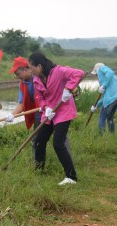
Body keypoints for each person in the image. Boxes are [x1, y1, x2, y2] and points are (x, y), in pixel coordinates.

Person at [28, 52, 84, 185]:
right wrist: (45, 107)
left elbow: (79, 73)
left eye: (31, 67)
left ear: (40, 66)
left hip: (63, 110)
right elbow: (40, 97)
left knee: (58, 143)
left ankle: (71, 177)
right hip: (50, 113)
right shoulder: (36, 80)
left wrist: (68, 89)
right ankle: (39, 171)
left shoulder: (58, 71)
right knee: (39, 141)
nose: (30, 70)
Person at [90, 63, 117, 134]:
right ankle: (112, 135)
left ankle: (101, 135)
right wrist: (96, 105)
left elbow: (110, 72)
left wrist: (103, 85)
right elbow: (106, 98)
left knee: (102, 117)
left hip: (112, 99)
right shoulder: (112, 79)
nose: (97, 76)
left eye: (96, 75)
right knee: (110, 117)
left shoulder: (101, 69)